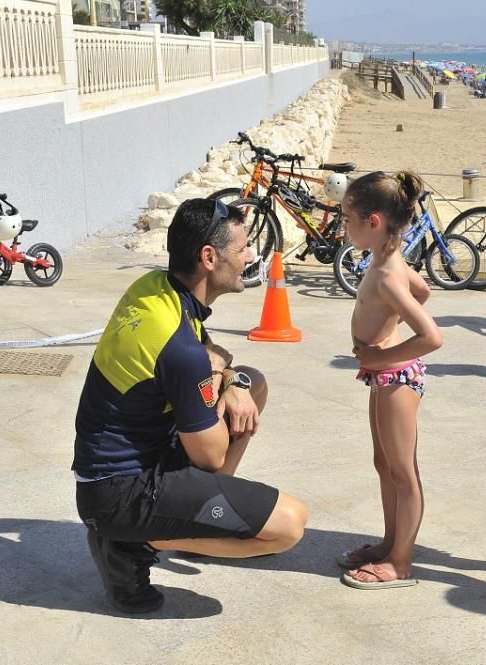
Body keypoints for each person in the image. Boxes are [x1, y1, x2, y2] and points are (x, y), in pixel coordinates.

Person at [73, 199, 308, 614]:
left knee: (254, 382)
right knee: (288, 525)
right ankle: (129, 543)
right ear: (208, 257)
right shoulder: (179, 347)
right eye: (243, 249)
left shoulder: (157, 290)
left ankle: (192, 526)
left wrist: (232, 379)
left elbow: (211, 351)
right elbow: (213, 454)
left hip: (129, 466)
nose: (250, 256)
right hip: (118, 493)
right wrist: (218, 374)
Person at [336, 171, 444, 590]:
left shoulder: (384, 274)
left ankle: (401, 561)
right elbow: (422, 291)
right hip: (384, 375)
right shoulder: (388, 263)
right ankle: (389, 541)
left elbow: (432, 336)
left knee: (403, 471)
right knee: (384, 463)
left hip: (396, 377)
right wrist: (388, 329)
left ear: (374, 222)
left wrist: (383, 353)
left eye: (348, 218)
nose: (344, 225)